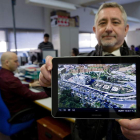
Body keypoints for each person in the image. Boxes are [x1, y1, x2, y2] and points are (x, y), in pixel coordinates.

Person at [39, 2, 140, 140]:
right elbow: (67, 95)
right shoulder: (79, 63)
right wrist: (49, 81)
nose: (108, 28)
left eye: (115, 22)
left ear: (126, 29)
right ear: (95, 29)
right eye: (102, 23)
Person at [0, 52, 50, 117]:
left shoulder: (2, 74)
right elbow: (31, 95)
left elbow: (16, 87)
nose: (18, 64)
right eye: (16, 61)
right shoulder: (11, 79)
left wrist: (30, 85)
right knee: (45, 110)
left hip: (10, 108)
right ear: (7, 62)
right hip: (20, 113)